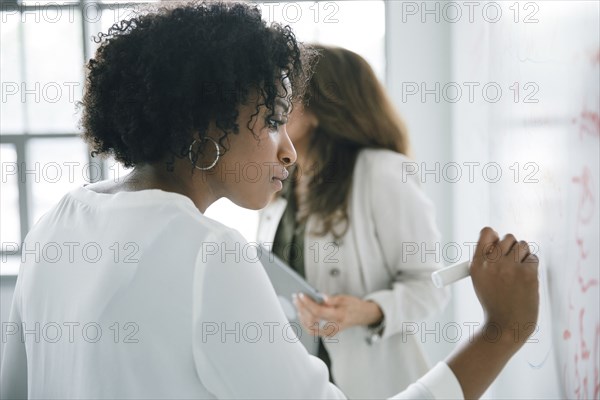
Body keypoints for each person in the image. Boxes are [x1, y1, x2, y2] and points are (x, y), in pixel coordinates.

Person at [0, 2, 539, 399]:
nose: (289, 152)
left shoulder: (53, 226)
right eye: (275, 120)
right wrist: (502, 333)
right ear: (209, 121)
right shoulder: (209, 252)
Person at [257, 45, 447, 398]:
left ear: (320, 108)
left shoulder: (383, 173)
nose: (272, 104)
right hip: (301, 379)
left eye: (287, 93)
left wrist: (368, 311)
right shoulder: (281, 178)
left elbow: (431, 285)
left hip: (375, 383)